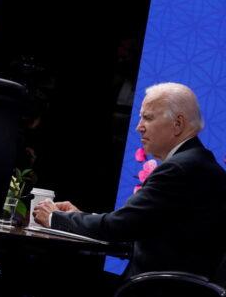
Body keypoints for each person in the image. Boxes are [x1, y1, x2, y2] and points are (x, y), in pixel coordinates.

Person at [34, 82, 226, 278]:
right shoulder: (199, 162)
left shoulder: (179, 169)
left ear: (177, 124)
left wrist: (55, 217)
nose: (139, 127)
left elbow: (118, 227)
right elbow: (140, 228)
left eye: (148, 118)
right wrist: (81, 217)